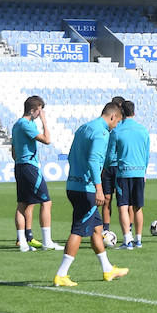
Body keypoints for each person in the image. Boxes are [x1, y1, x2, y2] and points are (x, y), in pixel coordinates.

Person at [52, 101, 127, 286]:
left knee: (96, 229)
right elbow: (94, 161)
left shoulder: (84, 128)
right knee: (78, 230)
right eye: (117, 122)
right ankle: (61, 274)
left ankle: (107, 269)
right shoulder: (101, 133)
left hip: (73, 185)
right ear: (113, 116)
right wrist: (98, 188)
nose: (116, 125)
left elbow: (71, 156)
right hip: (86, 189)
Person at [11, 95, 61, 252]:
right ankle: (47, 241)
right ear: (33, 110)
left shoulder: (17, 125)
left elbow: (13, 151)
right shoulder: (26, 124)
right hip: (29, 167)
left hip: (20, 166)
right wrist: (44, 122)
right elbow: (47, 140)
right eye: (39, 111)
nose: (41, 114)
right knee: (46, 202)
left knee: (22, 204)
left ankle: (23, 242)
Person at [111, 99, 149, 250]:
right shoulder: (143, 130)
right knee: (137, 207)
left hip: (123, 173)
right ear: (134, 112)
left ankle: (127, 240)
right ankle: (138, 240)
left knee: (123, 206)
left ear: (122, 112)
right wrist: (144, 170)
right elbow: (146, 154)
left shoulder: (117, 130)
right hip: (139, 172)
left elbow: (111, 154)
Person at [100, 94, 126, 237]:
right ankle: (105, 229)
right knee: (107, 199)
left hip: (120, 167)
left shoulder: (125, 126)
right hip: (108, 166)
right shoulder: (108, 126)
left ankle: (128, 230)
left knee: (124, 202)